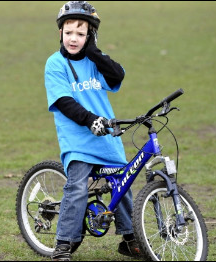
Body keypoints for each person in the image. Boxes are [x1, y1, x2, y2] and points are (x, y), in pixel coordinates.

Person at [44, 1, 141, 261]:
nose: (73, 38)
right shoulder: (55, 64)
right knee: (77, 187)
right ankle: (63, 244)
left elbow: (117, 76)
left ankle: (131, 238)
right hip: (77, 138)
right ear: (60, 33)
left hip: (106, 138)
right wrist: (90, 120)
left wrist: (95, 52)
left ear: (90, 36)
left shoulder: (95, 60)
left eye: (81, 33)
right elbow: (65, 102)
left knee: (123, 182)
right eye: (68, 32)